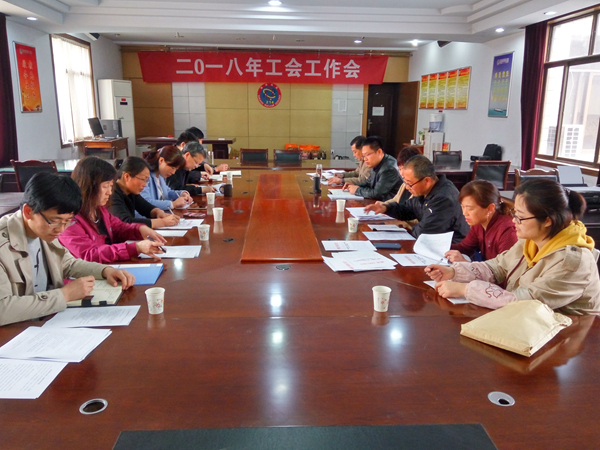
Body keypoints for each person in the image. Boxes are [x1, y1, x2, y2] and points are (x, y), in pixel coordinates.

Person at [427, 179, 600, 315]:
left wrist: (465, 289)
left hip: (569, 334)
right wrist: (454, 272)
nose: (514, 221)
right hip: (526, 324)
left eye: (520, 217)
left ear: (548, 220)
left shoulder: (571, 263)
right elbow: (497, 267)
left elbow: (525, 302)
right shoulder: (531, 240)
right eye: (514, 213)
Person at [0, 172, 135, 326]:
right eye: (55, 221)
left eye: (67, 222)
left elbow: (68, 263)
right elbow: (2, 310)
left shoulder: (43, 232)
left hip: (48, 321)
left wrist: (105, 271)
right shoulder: (4, 246)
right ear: (28, 212)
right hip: (16, 331)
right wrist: (64, 295)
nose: (61, 229)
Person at [59, 157, 166, 263]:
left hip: (108, 266)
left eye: (111, 186)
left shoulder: (99, 209)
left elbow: (119, 228)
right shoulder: (69, 219)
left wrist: (139, 229)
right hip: (89, 272)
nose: (109, 192)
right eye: (105, 186)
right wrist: (135, 248)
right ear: (89, 186)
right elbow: (88, 254)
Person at [365, 154, 469, 242]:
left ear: (426, 181)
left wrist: (402, 226)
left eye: (409, 183)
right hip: (429, 245)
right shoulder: (426, 190)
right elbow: (408, 209)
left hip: (451, 250)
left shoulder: (443, 199)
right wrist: (385, 208)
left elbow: (423, 232)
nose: (407, 187)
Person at [445, 180, 517, 262]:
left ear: (490, 208)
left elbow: (506, 268)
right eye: (463, 207)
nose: (464, 213)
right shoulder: (479, 222)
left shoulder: (507, 231)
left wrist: (466, 263)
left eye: (470, 209)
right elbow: (465, 248)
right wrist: (439, 246)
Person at [110, 156, 181, 228]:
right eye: (143, 179)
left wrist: (158, 212)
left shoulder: (130, 191)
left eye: (147, 181)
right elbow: (125, 222)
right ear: (127, 176)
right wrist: (163, 222)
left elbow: (145, 207)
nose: (145, 185)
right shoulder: (112, 194)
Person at [342, 136, 401, 201]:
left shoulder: (389, 168)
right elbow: (368, 182)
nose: (365, 159)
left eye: (367, 155)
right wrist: (354, 185)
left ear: (379, 152)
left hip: (390, 204)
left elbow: (377, 193)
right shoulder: (376, 163)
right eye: (363, 156)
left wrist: (357, 190)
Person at [141, 145, 192, 211]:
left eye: (176, 169)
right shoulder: (145, 177)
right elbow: (146, 202)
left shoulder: (160, 175)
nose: (173, 172)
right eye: (172, 168)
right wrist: (173, 204)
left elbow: (167, 192)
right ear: (161, 160)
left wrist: (181, 194)